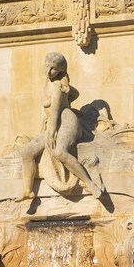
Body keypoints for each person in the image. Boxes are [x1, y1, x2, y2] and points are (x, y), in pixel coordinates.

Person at [17, 52, 104, 200]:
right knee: (26, 152)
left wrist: (50, 134)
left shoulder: (57, 86)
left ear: (61, 71)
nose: (48, 71)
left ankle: (90, 184)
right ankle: (28, 190)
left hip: (67, 121)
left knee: (60, 152)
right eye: (47, 67)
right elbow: (75, 94)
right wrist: (68, 95)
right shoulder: (50, 83)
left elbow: (56, 112)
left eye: (53, 69)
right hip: (54, 123)